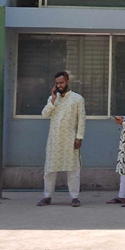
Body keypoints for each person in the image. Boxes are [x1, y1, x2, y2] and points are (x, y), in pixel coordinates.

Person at [37, 71, 86, 207]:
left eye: (61, 83)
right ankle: (47, 196)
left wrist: (79, 137)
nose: (59, 85)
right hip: (54, 140)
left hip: (70, 139)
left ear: (67, 82)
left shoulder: (77, 99)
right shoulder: (53, 99)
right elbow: (44, 114)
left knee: (73, 169)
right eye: (57, 83)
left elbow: (81, 120)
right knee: (50, 170)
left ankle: (75, 197)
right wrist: (53, 100)